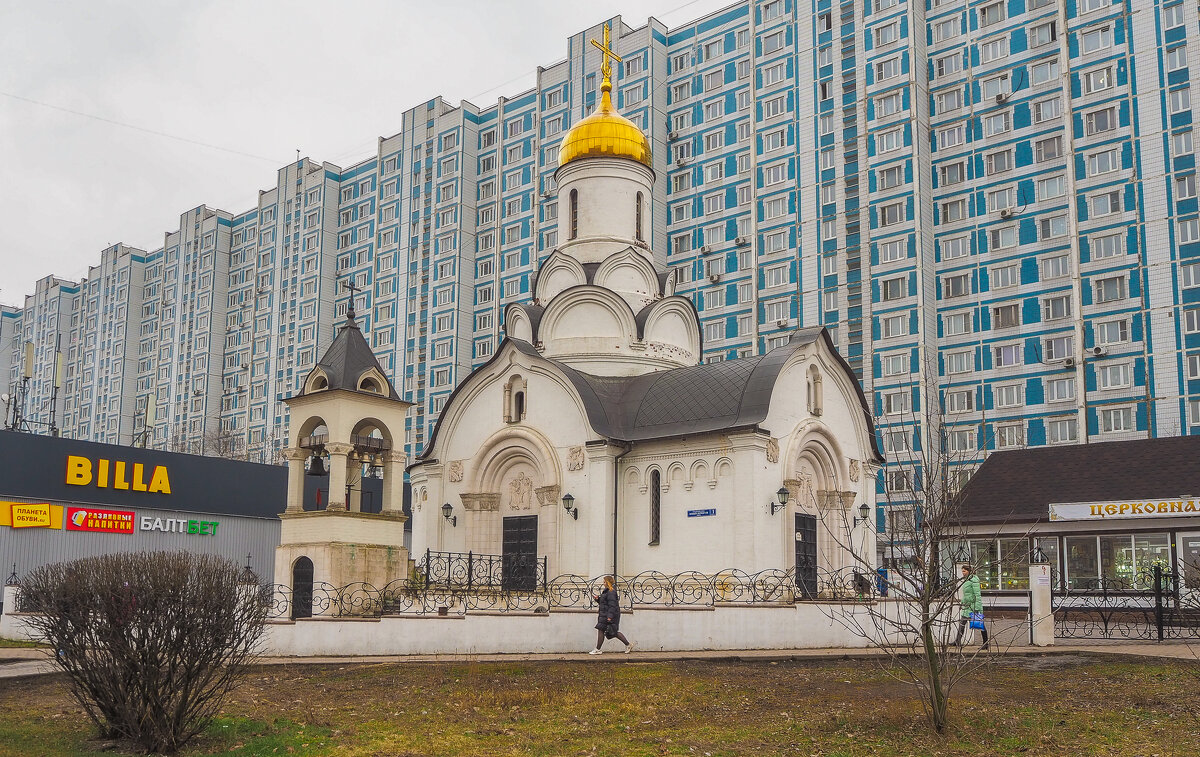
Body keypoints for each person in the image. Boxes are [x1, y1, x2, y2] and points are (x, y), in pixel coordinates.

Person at [590, 575, 634, 655]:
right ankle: (628, 644)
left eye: (604, 582)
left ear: (607, 582)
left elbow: (612, 606)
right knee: (607, 631)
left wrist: (610, 617)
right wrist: (598, 599)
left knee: (610, 631)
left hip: (608, 615)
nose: (603, 583)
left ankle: (597, 649)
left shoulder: (611, 592)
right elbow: (604, 603)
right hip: (605, 614)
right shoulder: (608, 591)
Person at [954, 564, 988, 650]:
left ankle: (986, 643)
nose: (963, 573)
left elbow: (977, 595)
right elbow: (967, 595)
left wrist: (976, 608)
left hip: (973, 606)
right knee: (962, 623)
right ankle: (957, 641)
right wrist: (963, 602)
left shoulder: (974, 581)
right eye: (962, 571)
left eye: (964, 571)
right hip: (967, 606)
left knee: (980, 625)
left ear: (969, 571)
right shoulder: (967, 580)